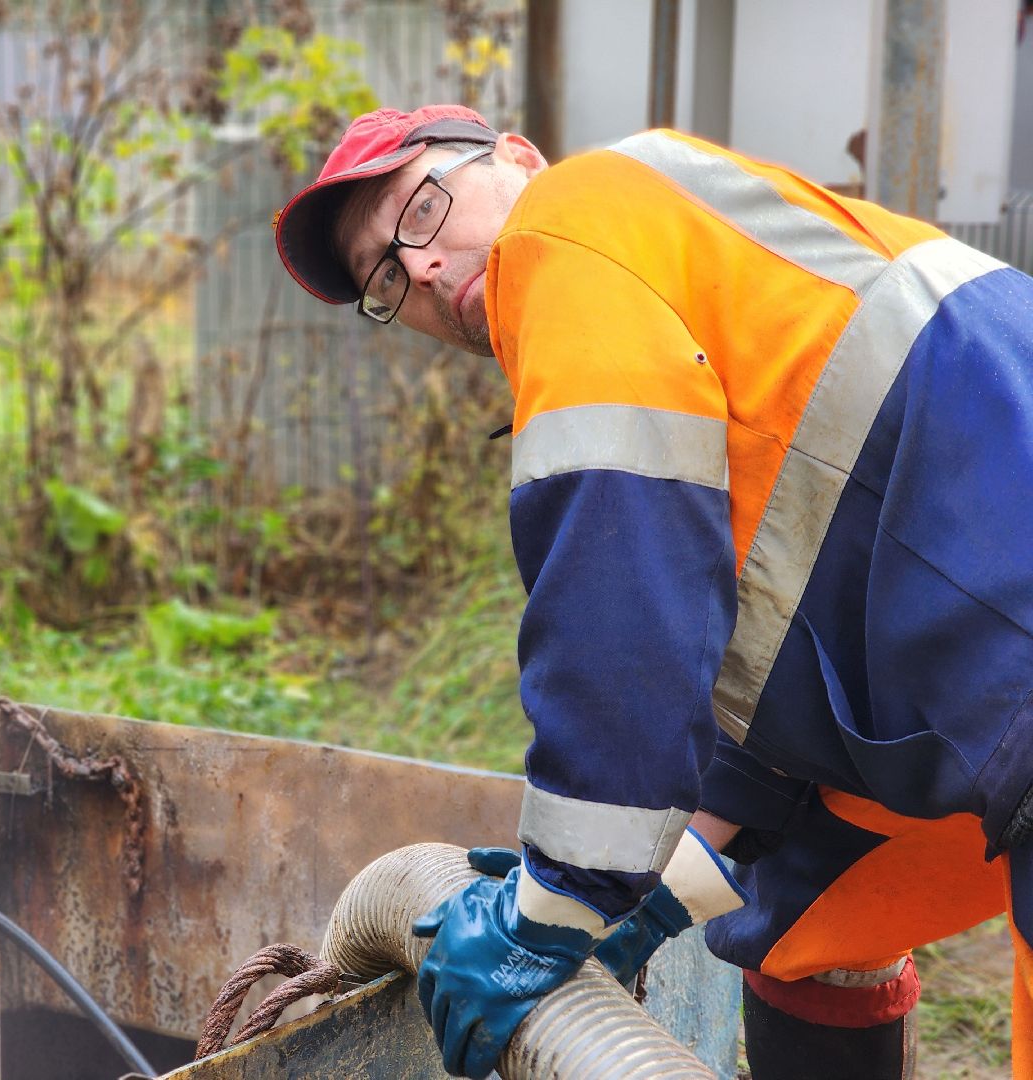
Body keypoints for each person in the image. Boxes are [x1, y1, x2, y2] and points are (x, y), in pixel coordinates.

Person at [272, 103, 1033, 1080]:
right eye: (384, 276)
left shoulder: (570, 217)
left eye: (420, 209)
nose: (416, 267)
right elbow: (767, 643)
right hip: (968, 634)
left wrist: (556, 905)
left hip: (997, 626)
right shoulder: (680, 295)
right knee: (799, 918)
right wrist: (656, 891)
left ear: (518, 157)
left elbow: (619, 602)